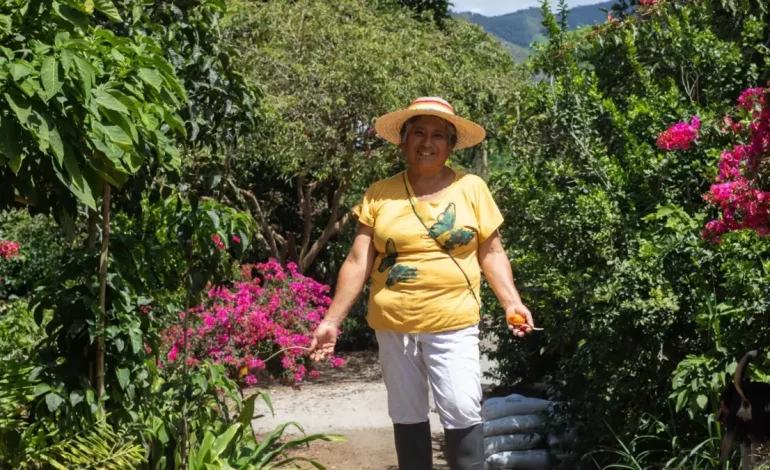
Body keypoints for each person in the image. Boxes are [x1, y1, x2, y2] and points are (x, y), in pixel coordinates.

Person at [308, 97, 536, 470]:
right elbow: (357, 260)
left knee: (462, 407)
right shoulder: (380, 193)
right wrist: (331, 321)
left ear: (450, 145)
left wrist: (511, 302)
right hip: (393, 325)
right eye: (418, 133)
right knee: (407, 413)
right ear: (402, 140)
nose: (427, 142)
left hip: (454, 323)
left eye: (437, 136)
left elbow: (492, 253)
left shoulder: (472, 188)